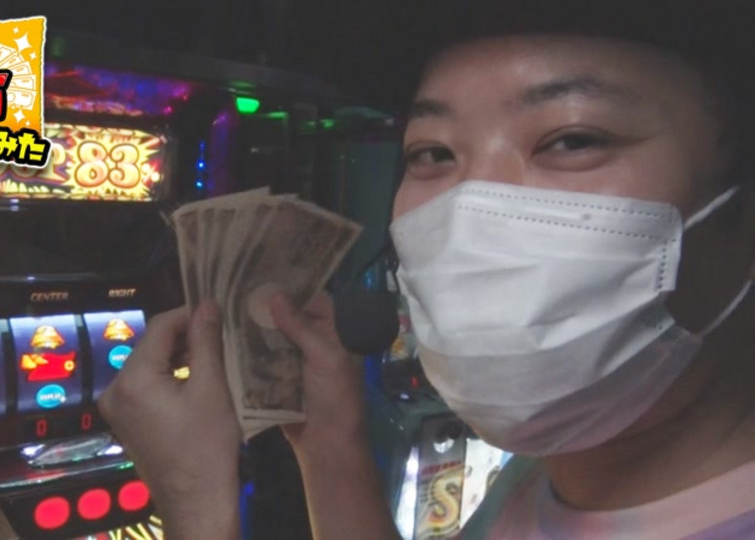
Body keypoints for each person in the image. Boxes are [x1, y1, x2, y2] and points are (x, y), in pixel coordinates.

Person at [98, 1, 755, 538]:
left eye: (572, 140)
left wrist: (198, 510)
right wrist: (329, 445)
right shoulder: (562, 465)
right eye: (433, 153)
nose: (470, 213)